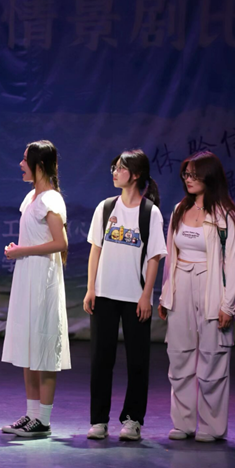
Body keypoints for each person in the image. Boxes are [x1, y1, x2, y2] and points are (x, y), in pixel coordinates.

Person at [83, 149, 166, 441]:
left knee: (137, 361)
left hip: (135, 297)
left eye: (121, 168)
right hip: (104, 294)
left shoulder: (150, 212)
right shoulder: (106, 207)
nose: (115, 172)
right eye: (114, 167)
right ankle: (99, 420)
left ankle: (132, 419)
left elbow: (154, 257)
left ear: (136, 174)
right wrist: (91, 288)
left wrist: (146, 295)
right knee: (101, 359)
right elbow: (96, 249)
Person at [159, 151, 235, 442]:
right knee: (179, 356)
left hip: (210, 286)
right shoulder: (180, 209)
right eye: (187, 174)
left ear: (209, 176)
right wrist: (165, 295)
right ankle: (183, 423)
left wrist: (227, 304)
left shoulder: (224, 214)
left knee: (212, 357)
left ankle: (211, 427)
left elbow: (233, 262)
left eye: (195, 174)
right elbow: (171, 255)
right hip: (181, 283)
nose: (189, 179)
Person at [1, 140, 70, 438]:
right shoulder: (31, 197)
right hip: (27, 274)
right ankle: (31, 414)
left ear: (39, 165)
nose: (20, 164)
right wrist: (19, 250)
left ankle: (43, 419)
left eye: (25, 159)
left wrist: (23, 250)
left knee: (43, 345)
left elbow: (60, 243)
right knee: (29, 345)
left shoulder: (51, 199)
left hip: (43, 278)